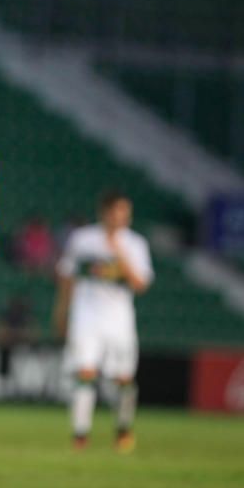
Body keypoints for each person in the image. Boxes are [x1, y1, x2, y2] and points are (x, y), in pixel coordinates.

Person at [53, 191, 153, 453]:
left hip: (119, 319)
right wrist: (62, 311)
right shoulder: (83, 239)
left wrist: (119, 253)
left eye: (126, 212)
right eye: (118, 211)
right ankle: (80, 434)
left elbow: (140, 284)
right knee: (85, 372)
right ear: (105, 212)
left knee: (123, 379)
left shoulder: (135, 244)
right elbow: (67, 276)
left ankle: (123, 428)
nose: (123, 217)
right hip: (86, 316)